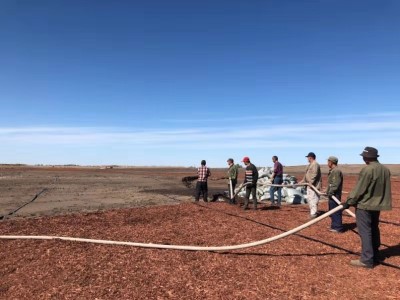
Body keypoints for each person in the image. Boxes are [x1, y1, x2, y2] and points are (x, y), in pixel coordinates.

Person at [343, 147, 392, 268]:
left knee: (365, 232)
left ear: (367, 157)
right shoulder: (385, 170)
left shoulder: (367, 170)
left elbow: (360, 189)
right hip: (377, 205)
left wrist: (349, 202)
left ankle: (366, 260)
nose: (363, 159)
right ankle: (375, 255)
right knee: (374, 228)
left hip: (365, 205)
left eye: (363, 157)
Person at [300, 152, 322, 218]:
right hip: (309, 185)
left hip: (313, 186)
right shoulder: (310, 164)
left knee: (313, 199)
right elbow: (307, 175)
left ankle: (313, 214)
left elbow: (314, 174)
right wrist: (302, 181)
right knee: (310, 199)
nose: (307, 159)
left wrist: (311, 183)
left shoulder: (315, 164)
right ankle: (313, 212)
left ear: (310, 157)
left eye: (308, 157)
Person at [326, 156, 343, 233]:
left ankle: (337, 227)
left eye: (328, 162)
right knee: (332, 210)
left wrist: (331, 192)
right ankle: (334, 225)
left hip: (334, 195)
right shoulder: (333, 171)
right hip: (332, 194)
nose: (327, 163)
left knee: (335, 210)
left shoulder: (336, 171)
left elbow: (335, 184)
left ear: (331, 162)